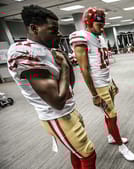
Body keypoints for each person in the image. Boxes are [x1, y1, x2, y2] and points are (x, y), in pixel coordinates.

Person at [7, 5, 96, 169]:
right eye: (53, 30)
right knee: (88, 153)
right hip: (56, 115)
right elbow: (57, 101)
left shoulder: (48, 48)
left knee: (77, 151)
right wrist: (64, 68)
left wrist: (65, 63)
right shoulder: (23, 52)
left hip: (69, 109)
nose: (59, 34)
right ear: (34, 28)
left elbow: (70, 83)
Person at [69, 7, 134, 161]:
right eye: (99, 24)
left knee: (109, 115)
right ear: (88, 23)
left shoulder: (99, 38)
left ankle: (111, 136)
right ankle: (121, 147)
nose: (102, 27)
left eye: (103, 24)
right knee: (112, 116)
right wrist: (94, 94)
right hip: (99, 87)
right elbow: (84, 69)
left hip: (107, 82)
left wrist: (112, 82)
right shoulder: (81, 38)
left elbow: (103, 64)